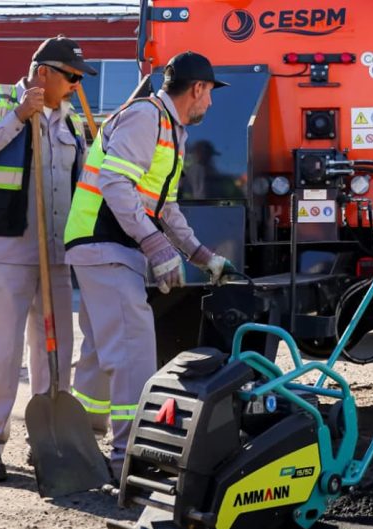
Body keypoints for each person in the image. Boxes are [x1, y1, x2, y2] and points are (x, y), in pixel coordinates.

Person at [63, 51, 232, 478]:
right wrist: (156, 246)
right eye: (209, 94)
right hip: (104, 239)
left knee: (103, 349)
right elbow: (115, 183)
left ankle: (79, 442)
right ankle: (128, 457)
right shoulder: (145, 117)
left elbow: (165, 204)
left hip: (105, 242)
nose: (210, 104)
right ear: (197, 89)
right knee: (134, 348)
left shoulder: (172, 131)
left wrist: (201, 255)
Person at [0, 36, 95, 482]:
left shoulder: (72, 122)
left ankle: (48, 443)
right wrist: (19, 118)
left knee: (55, 353)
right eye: (71, 77)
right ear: (44, 73)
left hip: (54, 254)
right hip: (4, 251)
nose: (77, 85)